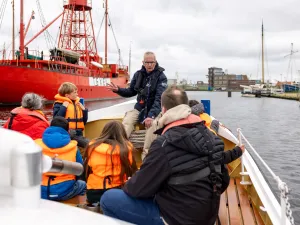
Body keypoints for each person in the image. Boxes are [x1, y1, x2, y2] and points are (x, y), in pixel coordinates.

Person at [100, 86, 245, 225]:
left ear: (163, 110)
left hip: (176, 220)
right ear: (186, 106)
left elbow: (137, 189)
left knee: (108, 199)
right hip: (207, 217)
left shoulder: (164, 144)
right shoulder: (212, 137)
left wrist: (129, 183)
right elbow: (223, 181)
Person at [107, 51, 168, 157]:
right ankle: (120, 151)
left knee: (153, 125)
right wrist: (118, 90)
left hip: (155, 109)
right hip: (140, 108)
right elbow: (131, 91)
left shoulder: (161, 77)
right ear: (143, 62)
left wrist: (151, 116)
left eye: (151, 62)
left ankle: (147, 156)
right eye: (147, 62)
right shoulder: (138, 75)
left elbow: (159, 99)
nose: (149, 65)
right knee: (127, 121)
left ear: (155, 62)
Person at [83, 121, 137, 205]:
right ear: (122, 133)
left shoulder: (92, 148)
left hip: (93, 194)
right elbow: (133, 173)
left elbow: (85, 172)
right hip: (116, 193)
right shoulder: (126, 150)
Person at [35, 116, 86, 201]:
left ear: (50, 127)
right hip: (63, 192)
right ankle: (75, 206)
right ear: (67, 131)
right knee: (83, 184)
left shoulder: (36, 144)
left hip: (40, 191)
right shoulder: (73, 147)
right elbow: (80, 171)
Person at [53, 82, 89, 148]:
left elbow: (84, 121)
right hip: (66, 133)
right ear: (67, 95)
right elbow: (56, 120)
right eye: (75, 92)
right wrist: (63, 107)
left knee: (87, 145)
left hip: (78, 133)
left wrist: (84, 110)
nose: (77, 94)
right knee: (88, 144)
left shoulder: (77, 104)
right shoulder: (59, 104)